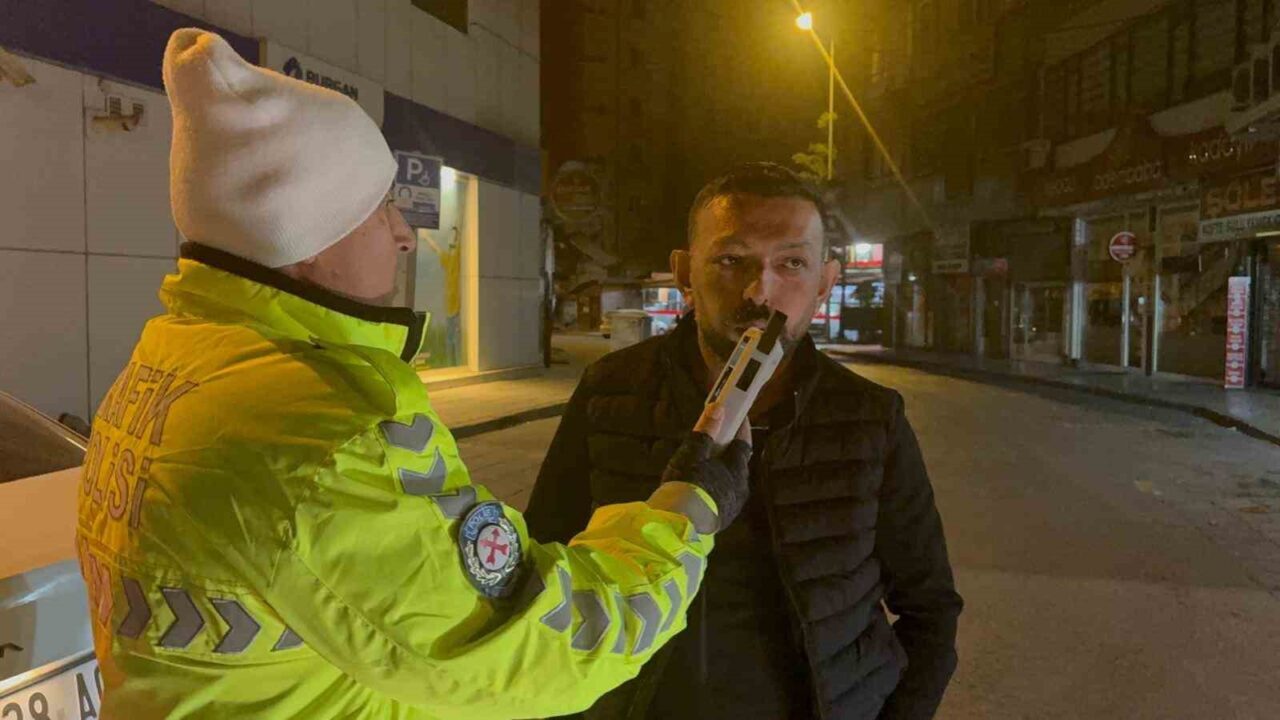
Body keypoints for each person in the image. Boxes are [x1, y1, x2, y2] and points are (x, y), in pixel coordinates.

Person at [75, 29, 752, 719]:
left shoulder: (173, 361)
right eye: (379, 208)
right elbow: (540, 650)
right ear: (306, 238)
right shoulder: (327, 436)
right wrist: (687, 510)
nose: (404, 234)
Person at [526, 163, 964, 719]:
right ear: (685, 271)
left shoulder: (869, 417)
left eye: (792, 264)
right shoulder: (611, 391)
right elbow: (543, 566)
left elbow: (930, 608)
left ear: (826, 282)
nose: (760, 290)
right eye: (731, 261)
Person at [422, 226, 463, 366]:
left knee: (456, 342)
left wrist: (458, 232)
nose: (450, 239)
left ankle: (457, 366)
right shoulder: (448, 258)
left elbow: (457, 241)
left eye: (453, 237)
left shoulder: (458, 256)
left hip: (457, 308)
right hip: (450, 308)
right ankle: (453, 367)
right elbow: (437, 249)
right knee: (450, 341)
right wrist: (427, 238)